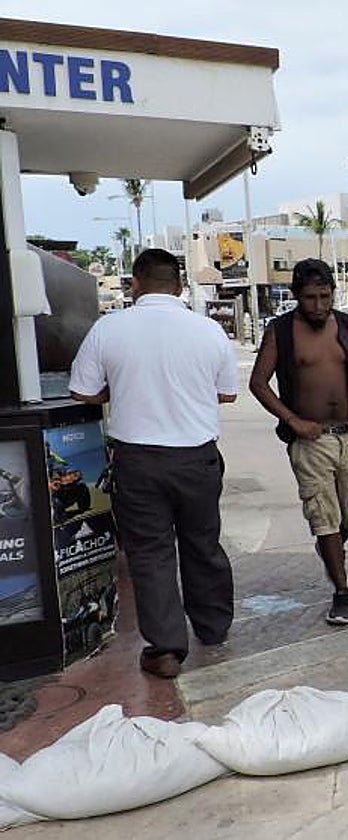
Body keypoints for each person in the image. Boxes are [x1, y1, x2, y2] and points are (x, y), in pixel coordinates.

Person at [69, 248, 238, 680]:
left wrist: (121, 392)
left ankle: (165, 649)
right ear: (179, 284)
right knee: (203, 543)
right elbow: (227, 393)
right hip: (197, 459)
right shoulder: (208, 331)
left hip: (138, 462)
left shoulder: (109, 329)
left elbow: (82, 391)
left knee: (150, 554)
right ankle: (213, 628)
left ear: (136, 283)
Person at [249, 258, 348, 625]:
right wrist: (293, 420)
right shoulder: (281, 331)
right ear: (297, 295)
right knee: (324, 515)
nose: (318, 305)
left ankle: (329, 546)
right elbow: (258, 383)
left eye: (325, 296)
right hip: (310, 440)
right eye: (310, 297)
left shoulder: (345, 324)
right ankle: (342, 590)